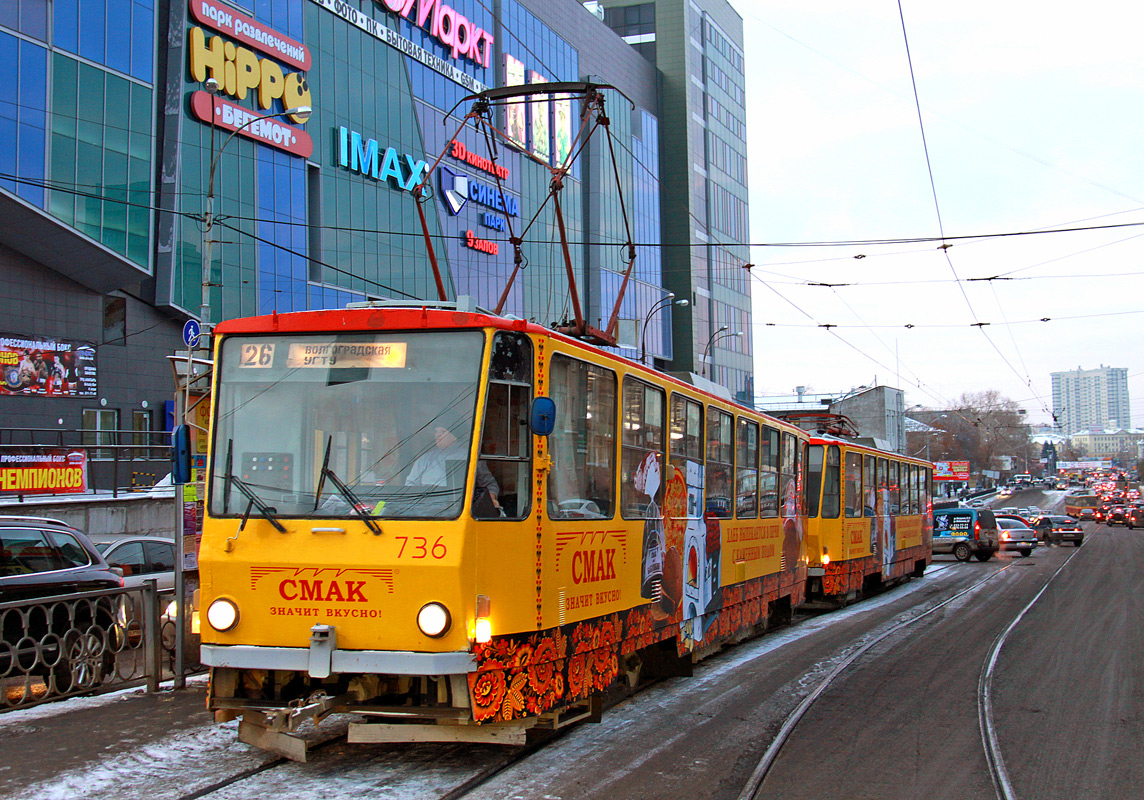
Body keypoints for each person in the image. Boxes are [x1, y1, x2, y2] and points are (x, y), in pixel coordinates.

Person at [406, 426, 501, 515]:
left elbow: (490, 484)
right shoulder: (425, 459)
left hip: (459, 511)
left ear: (455, 436)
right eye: (436, 431)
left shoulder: (470, 457)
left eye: (442, 432)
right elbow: (410, 485)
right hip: (425, 511)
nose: (437, 435)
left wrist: (491, 499)